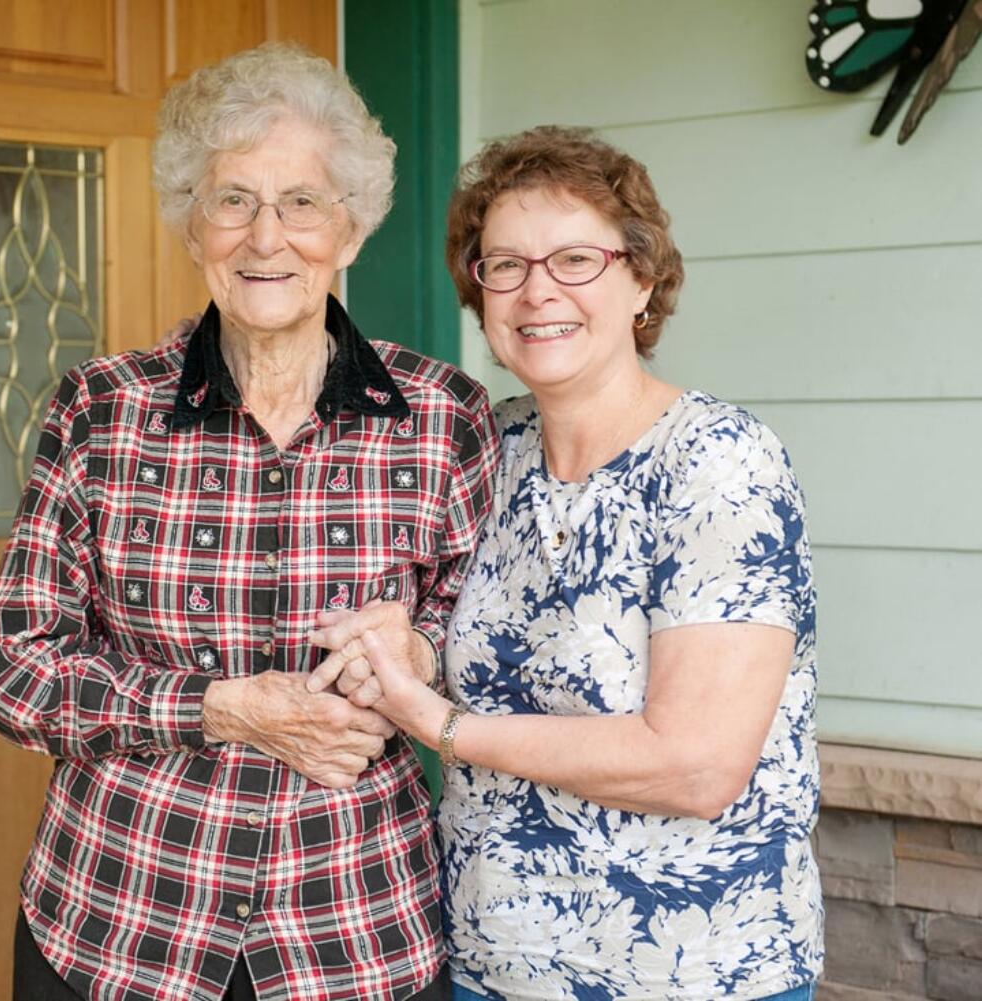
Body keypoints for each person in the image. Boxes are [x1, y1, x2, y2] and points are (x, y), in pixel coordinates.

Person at [0, 43, 498, 1001]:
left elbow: (489, 654)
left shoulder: (445, 417)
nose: (267, 237)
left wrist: (418, 654)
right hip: (121, 924)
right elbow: (12, 671)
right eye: (233, 199)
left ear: (351, 228)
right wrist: (222, 709)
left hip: (357, 927)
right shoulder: (100, 411)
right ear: (190, 221)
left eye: (302, 202)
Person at [309, 126, 823, 1000]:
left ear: (643, 279)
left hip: (692, 970)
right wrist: (401, 645)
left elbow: (697, 764)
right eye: (503, 264)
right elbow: (431, 618)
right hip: (483, 960)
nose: (536, 289)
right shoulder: (486, 446)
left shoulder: (719, 462)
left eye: (575, 259)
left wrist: (438, 722)